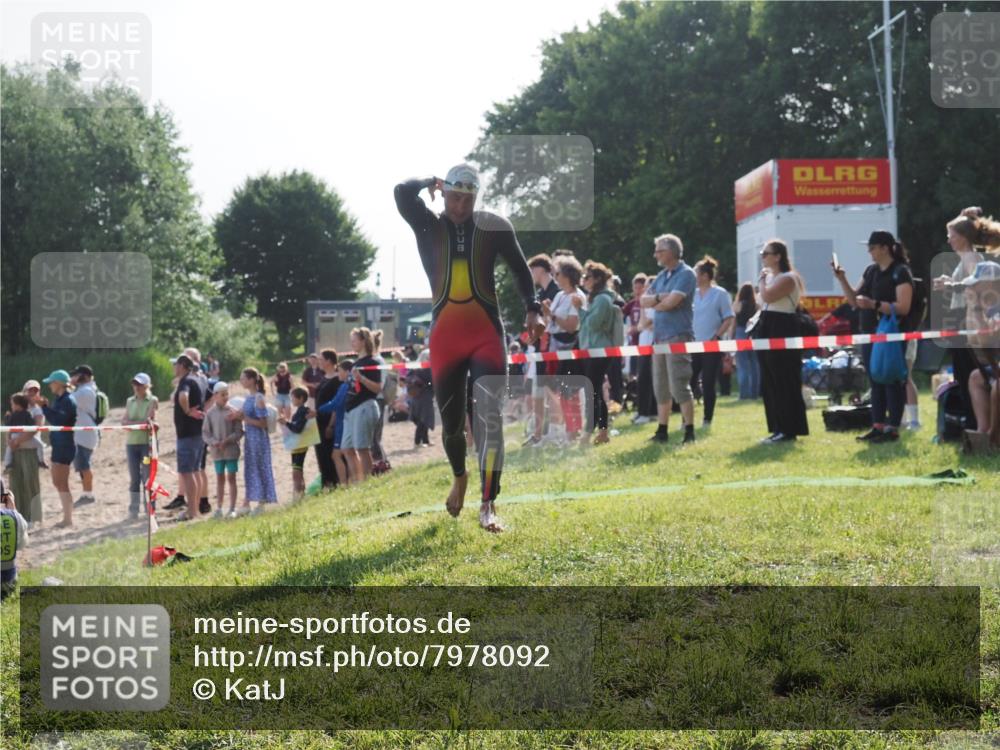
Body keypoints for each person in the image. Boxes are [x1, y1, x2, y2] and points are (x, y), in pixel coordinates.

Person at [395, 164, 540, 532]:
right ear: (443, 194)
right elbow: (401, 191)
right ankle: (460, 476)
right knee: (453, 427)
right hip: (446, 338)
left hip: (486, 334)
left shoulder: (495, 228)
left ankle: (488, 503)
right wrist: (429, 181)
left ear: (477, 197)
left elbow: (522, 271)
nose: (460, 205)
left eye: (468, 198)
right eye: (454, 196)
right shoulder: (428, 225)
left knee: (489, 418)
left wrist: (532, 309)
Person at [833, 230, 914, 443]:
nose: (869, 251)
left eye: (872, 247)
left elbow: (903, 307)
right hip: (869, 334)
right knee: (875, 380)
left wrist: (875, 305)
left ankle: (893, 428)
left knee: (892, 379)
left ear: (884, 248)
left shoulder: (900, 272)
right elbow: (853, 301)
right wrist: (842, 279)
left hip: (891, 335)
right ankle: (877, 426)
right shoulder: (871, 271)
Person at [932, 209, 1000, 431]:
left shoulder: (972, 258)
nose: (948, 239)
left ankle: (977, 426)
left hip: (969, 320)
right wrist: (949, 282)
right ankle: (976, 427)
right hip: (963, 319)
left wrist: (949, 285)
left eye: (951, 234)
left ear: (963, 237)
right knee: (965, 375)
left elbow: (974, 286)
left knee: (968, 374)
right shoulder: (965, 258)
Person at [642, 234, 697, 444]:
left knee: (679, 384)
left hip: (677, 335)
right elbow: (643, 300)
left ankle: (689, 430)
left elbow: (672, 303)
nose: (655, 254)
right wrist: (658, 299)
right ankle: (662, 430)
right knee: (661, 386)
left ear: (671, 252)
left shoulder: (686, 274)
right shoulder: (661, 276)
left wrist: (657, 302)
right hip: (659, 338)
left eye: (659, 250)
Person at [756, 239, 809, 443]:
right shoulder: (772, 278)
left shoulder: (788, 278)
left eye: (766, 253)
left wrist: (761, 281)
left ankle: (789, 429)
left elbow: (768, 297)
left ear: (778, 256)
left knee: (784, 379)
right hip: (767, 326)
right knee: (770, 381)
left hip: (782, 327)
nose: (763, 257)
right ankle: (777, 428)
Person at [543, 255, 587, 444]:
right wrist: (547, 315)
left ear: (568, 274)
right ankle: (566, 429)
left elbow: (571, 326)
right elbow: (552, 323)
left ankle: (573, 430)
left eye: (558, 273)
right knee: (559, 389)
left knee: (570, 390)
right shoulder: (560, 295)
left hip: (570, 346)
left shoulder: (577, 296)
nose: (555, 276)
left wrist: (551, 314)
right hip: (555, 346)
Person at [573, 260, 618, 445]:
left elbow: (592, 323)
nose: (584, 280)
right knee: (595, 391)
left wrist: (578, 308)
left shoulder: (602, 299)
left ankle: (588, 433)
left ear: (598, 279)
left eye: (587, 277)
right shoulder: (598, 298)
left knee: (593, 392)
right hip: (593, 351)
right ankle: (602, 432)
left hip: (599, 351)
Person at [691, 256, 735, 427]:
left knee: (709, 383)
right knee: (689, 382)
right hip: (692, 344)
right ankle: (687, 418)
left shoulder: (720, 294)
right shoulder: (691, 295)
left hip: (712, 345)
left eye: (697, 274)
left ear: (705, 275)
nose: (694, 277)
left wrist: (716, 336)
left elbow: (728, 317)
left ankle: (707, 419)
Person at [231, 367, 277, 514]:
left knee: (260, 467)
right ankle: (248, 501)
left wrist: (245, 419)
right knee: (251, 469)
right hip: (250, 438)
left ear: (251, 380)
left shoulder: (258, 398)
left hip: (258, 439)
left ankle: (261, 501)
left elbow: (262, 423)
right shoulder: (248, 398)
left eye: (243, 378)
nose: (241, 381)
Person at [524, 254, 560, 446]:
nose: (530, 274)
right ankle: (538, 434)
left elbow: (554, 320)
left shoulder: (556, 290)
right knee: (539, 392)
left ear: (541, 269)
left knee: (552, 391)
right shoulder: (539, 294)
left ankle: (556, 431)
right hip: (539, 348)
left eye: (532, 270)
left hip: (552, 348)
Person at [341, 327, 383, 484]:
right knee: (347, 448)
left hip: (365, 406)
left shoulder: (372, 362)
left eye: (354, 340)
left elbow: (378, 388)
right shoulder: (356, 363)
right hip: (351, 409)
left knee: (362, 448)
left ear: (363, 341)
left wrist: (362, 378)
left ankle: (367, 482)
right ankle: (358, 481)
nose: (352, 343)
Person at [37, 370, 77, 527]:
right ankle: (66, 517)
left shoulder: (68, 400)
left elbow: (58, 420)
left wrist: (44, 408)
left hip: (65, 445)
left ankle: (68, 519)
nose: (50, 386)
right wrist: (46, 406)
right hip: (58, 445)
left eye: (51, 383)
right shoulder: (60, 399)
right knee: (57, 481)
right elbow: (56, 418)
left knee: (62, 483)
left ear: (59, 383)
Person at [171, 354, 206, 521]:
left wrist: (186, 411)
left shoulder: (186, 381)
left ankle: (192, 511)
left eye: (175, 365)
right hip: (197, 432)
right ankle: (195, 509)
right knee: (195, 471)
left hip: (188, 433)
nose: (173, 368)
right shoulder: (197, 379)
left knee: (187, 472)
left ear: (183, 365)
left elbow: (182, 397)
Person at [202, 381, 242, 518]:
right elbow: (206, 433)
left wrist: (227, 440)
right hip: (217, 452)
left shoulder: (232, 411)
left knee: (232, 477)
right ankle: (219, 508)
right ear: (215, 396)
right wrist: (214, 442)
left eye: (227, 394)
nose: (225, 397)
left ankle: (232, 508)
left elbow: (239, 432)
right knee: (220, 478)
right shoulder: (210, 413)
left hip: (231, 451)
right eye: (222, 394)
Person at [121, 373, 158, 521]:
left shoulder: (152, 400)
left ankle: (150, 509)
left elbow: (147, 421)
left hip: (146, 445)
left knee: (147, 477)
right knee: (134, 478)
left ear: (147, 386)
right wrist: (134, 424)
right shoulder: (130, 401)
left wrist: (132, 424)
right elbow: (124, 422)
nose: (136, 387)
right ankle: (134, 510)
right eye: (135, 384)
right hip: (132, 444)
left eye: (140, 385)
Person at [4, 394, 42, 527]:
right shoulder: (19, 414)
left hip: (28, 452)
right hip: (16, 452)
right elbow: (8, 429)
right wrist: (10, 442)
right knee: (15, 485)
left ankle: (32, 517)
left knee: (29, 484)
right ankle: (17, 515)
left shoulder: (34, 411)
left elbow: (34, 429)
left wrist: (16, 441)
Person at [68, 365, 99, 508]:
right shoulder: (83, 390)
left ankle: (88, 494)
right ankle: (87, 492)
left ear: (84, 376)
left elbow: (68, 401)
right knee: (82, 465)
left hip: (85, 434)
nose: (73, 378)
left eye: (77, 375)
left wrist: (68, 385)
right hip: (81, 434)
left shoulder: (85, 391)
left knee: (84, 465)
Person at [317, 359, 352, 486]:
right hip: (343, 422)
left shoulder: (345, 386)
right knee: (345, 454)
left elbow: (336, 404)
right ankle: (349, 481)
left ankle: (345, 482)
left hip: (343, 423)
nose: (338, 374)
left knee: (339, 455)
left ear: (348, 372)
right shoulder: (348, 385)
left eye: (340, 371)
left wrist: (318, 410)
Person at [279, 387, 314, 501]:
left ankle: (298, 496)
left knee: (296, 471)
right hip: (297, 445)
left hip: (300, 445)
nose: (291, 400)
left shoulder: (303, 411)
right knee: (298, 470)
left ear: (301, 398)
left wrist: (286, 423)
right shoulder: (300, 411)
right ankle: (300, 494)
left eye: (293, 397)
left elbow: (298, 429)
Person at [313, 349, 341, 489]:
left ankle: (334, 481)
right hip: (318, 420)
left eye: (321, 359)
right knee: (321, 454)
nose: (319, 362)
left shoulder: (337, 380)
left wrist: (331, 425)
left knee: (330, 453)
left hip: (329, 421)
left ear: (329, 361)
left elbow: (336, 404)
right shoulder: (324, 378)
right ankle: (326, 482)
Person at [732, 283, 761, 400]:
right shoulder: (757, 305)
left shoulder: (738, 304)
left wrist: (731, 336)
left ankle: (744, 394)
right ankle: (755, 393)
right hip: (754, 333)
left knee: (742, 365)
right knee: (755, 364)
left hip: (741, 332)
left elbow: (734, 321)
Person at [0, 480, 28, 600]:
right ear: (2, 498)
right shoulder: (15, 517)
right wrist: (14, 510)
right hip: (8, 583)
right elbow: (22, 545)